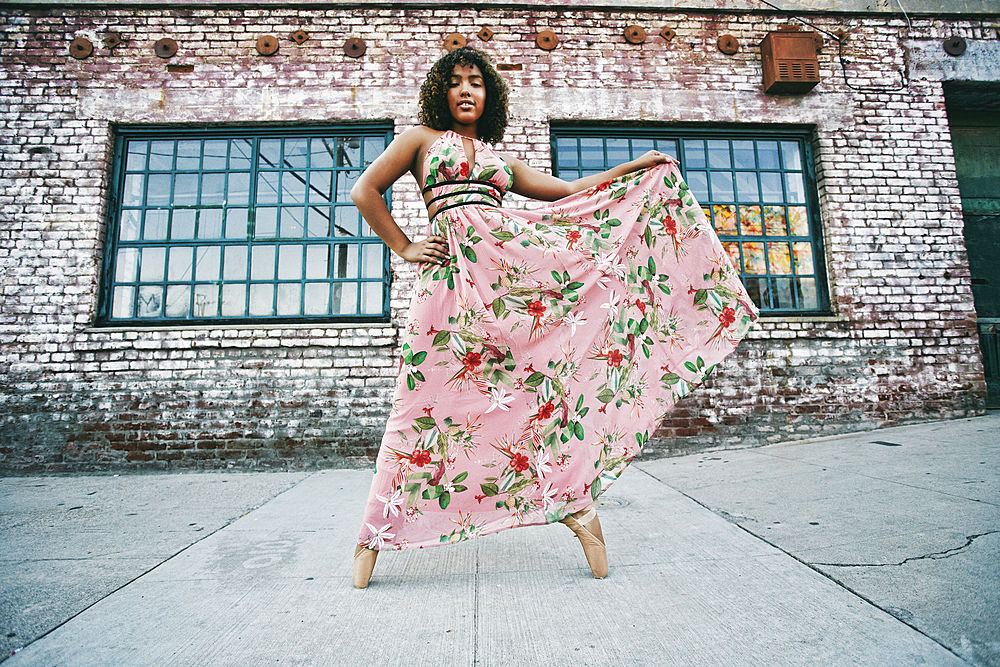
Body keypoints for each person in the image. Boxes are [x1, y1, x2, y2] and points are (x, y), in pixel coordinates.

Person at [350, 46, 757, 588]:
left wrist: (636, 168)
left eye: (477, 81)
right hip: (450, 286)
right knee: (423, 404)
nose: (467, 90)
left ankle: (574, 503)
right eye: (456, 82)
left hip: (513, 286)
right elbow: (365, 190)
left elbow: (568, 193)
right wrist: (402, 246)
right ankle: (377, 531)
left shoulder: (498, 159)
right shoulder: (420, 140)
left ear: (490, 95)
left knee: (540, 394)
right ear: (440, 93)